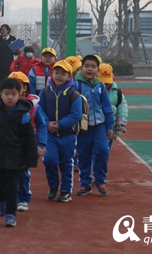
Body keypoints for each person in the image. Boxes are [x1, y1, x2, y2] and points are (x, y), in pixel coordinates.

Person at [0, 78, 38, 227]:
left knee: (11, 187)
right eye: (7, 93)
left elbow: (29, 138)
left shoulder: (24, 116)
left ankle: (11, 214)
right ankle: (1, 201)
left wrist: (30, 159)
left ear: (20, 95)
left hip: (16, 158)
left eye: (14, 94)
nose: (10, 97)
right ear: (0, 95)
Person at [38, 60, 82, 203]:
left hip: (68, 135)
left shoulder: (74, 95)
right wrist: (47, 123)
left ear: (69, 76)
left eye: (63, 74)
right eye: (57, 72)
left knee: (66, 163)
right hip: (49, 135)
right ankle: (53, 186)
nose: (59, 76)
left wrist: (60, 125)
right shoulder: (45, 92)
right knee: (49, 160)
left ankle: (65, 191)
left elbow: (76, 115)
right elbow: (39, 110)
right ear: (52, 73)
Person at [74, 55, 114, 196]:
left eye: (93, 67)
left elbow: (107, 107)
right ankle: (85, 184)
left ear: (97, 70)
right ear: (81, 68)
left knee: (103, 150)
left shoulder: (101, 86)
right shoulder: (76, 85)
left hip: (100, 126)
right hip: (83, 128)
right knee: (83, 154)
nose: (89, 69)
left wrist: (110, 126)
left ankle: (100, 180)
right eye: (87, 66)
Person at [8, 71, 47, 212]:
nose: (13, 90)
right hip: (8, 145)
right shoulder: (3, 105)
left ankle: (23, 199)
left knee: (23, 173)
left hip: (26, 145)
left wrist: (41, 145)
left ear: (25, 88)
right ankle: (10, 198)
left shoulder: (34, 105)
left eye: (17, 85)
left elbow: (42, 125)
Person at [97, 63, 128, 150]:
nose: (104, 85)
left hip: (111, 127)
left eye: (107, 83)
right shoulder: (93, 90)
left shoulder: (117, 91)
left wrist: (122, 120)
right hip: (96, 125)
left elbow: (122, 106)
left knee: (105, 151)